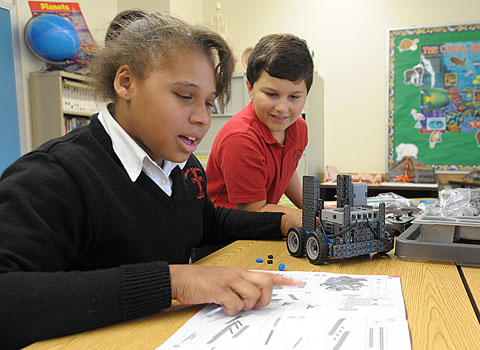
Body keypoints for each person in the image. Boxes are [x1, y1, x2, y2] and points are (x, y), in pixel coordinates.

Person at [0, 12, 298, 349]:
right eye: (185, 96)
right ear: (125, 83)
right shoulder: (54, 176)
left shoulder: (182, 168)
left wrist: (283, 222)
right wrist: (173, 281)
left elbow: (208, 221)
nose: (202, 119)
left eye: (208, 103)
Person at [205, 33, 314, 229]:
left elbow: (287, 171)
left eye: (294, 97)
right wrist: (307, 217)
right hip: (225, 237)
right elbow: (253, 211)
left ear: (306, 94)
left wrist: (313, 209)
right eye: (271, 94)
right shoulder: (241, 139)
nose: (282, 107)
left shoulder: (297, 128)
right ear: (250, 88)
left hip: (260, 226)